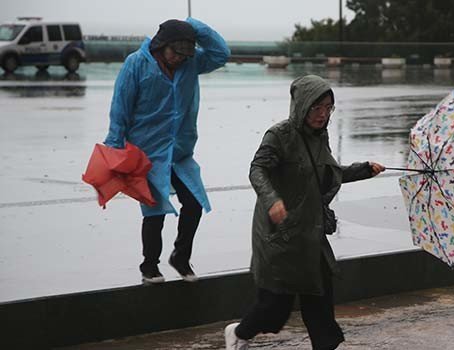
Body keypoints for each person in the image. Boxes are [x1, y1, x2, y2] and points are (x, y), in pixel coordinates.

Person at [224, 75, 386, 350]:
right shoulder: (280, 135)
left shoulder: (319, 138)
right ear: (301, 105)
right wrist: (272, 199)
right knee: (275, 306)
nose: (323, 114)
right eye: (316, 107)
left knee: (320, 298)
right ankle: (239, 332)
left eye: (328, 108)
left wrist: (363, 169)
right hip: (281, 233)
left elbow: (323, 176)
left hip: (310, 232)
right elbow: (257, 170)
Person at [103, 18, 230, 284]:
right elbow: (120, 109)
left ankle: (180, 257)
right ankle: (149, 266)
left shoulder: (190, 64)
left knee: (194, 203)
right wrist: (114, 149)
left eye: (186, 54)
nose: (180, 59)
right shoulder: (136, 64)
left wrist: (194, 28)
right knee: (154, 211)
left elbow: (221, 54)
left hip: (179, 152)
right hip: (146, 153)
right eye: (176, 52)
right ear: (161, 45)